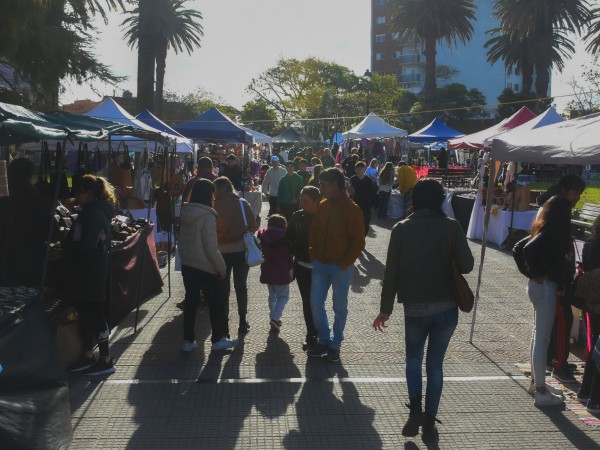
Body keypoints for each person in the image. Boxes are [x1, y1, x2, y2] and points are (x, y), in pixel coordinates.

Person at [373, 179, 474, 440]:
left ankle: (415, 410)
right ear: (441, 199)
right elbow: (466, 266)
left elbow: (391, 272)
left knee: (413, 359)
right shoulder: (451, 226)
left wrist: (385, 309)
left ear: (414, 200)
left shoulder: (402, 228)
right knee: (436, 366)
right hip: (447, 307)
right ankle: (430, 420)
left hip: (415, 307)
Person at [523, 189, 582, 407]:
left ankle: (536, 383)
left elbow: (523, 248)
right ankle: (540, 389)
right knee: (542, 338)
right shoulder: (552, 232)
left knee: (538, 335)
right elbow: (526, 249)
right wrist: (537, 273)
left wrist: (534, 273)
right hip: (545, 286)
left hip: (540, 285)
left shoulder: (543, 228)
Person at [308, 168, 365, 362]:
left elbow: (358, 240)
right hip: (320, 264)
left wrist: (345, 263)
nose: (320, 188)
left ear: (334, 185)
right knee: (316, 303)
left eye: (323, 184)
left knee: (339, 306)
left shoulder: (352, 208)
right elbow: (314, 232)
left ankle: (336, 343)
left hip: (340, 266)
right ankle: (324, 339)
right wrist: (313, 254)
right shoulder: (323, 206)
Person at [64, 175, 117, 376]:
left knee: (94, 313)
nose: (77, 195)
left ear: (92, 193)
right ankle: (88, 354)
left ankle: (105, 358)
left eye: (81, 191)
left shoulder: (93, 213)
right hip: (87, 268)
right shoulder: (90, 211)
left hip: (91, 269)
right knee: (85, 313)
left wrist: (68, 245)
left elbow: (86, 243)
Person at [179, 179, 238, 353]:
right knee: (216, 302)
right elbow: (211, 247)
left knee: (191, 302)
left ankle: (188, 341)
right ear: (208, 195)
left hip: (189, 264)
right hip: (205, 266)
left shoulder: (186, 211)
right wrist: (222, 268)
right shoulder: (208, 215)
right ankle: (218, 338)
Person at [540, 175, 586, 382]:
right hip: (556, 278)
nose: (578, 198)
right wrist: (558, 278)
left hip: (554, 276)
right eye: (576, 193)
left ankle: (554, 358)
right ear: (567, 189)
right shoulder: (559, 207)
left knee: (558, 320)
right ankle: (558, 363)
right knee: (562, 320)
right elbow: (544, 247)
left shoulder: (552, 204)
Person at [213, 177, 257, 335]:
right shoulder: (242, 203)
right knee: (241, 286)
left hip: (221, 252)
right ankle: (242, 321)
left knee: (223, 289)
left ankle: (224, 325)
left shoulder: (214, 206)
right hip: (241, 250)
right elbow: (254, 225)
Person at [285, 186, 321, 351]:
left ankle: (321, 333)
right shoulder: (296, 217)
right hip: (302, 267)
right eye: (301, 200)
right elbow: (288, 239)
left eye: (306, 201)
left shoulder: (324, 217)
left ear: (316, 201)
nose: (302, 204)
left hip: (322, 268)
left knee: (317, 302)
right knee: (307, 301)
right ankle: (311, 333)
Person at [6, 158, 50, 287]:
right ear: (30, 175)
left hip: (10, 248)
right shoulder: (33, 195)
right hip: (30, 251)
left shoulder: (7, 192)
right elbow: (47, 224)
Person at [577, 215, 600, 413]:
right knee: (597, 350)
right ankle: (594, 398)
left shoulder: (590, 243)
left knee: (594, 347)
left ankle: (585, 391)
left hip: (590, 302)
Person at [257, 214, 293, 333]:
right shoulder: (286, 236)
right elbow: (289, 256)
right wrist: (291, 268)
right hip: (282, 271)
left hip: (267, 270)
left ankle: (274, 319)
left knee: (272, 296)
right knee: (283, 296)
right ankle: (275, 318)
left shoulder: (263, 235)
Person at [350, 161, 376, 236]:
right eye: (356, 169)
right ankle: (356, 239)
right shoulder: (353, 179)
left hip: (366, 204)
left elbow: (371, 193)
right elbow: (350, 191)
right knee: (355, 223)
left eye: (360, 169)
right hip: (355, 203)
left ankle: (363, 238)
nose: (358, 170)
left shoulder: (369, 180)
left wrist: (371, 203)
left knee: (366, 222)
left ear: (364, 169)